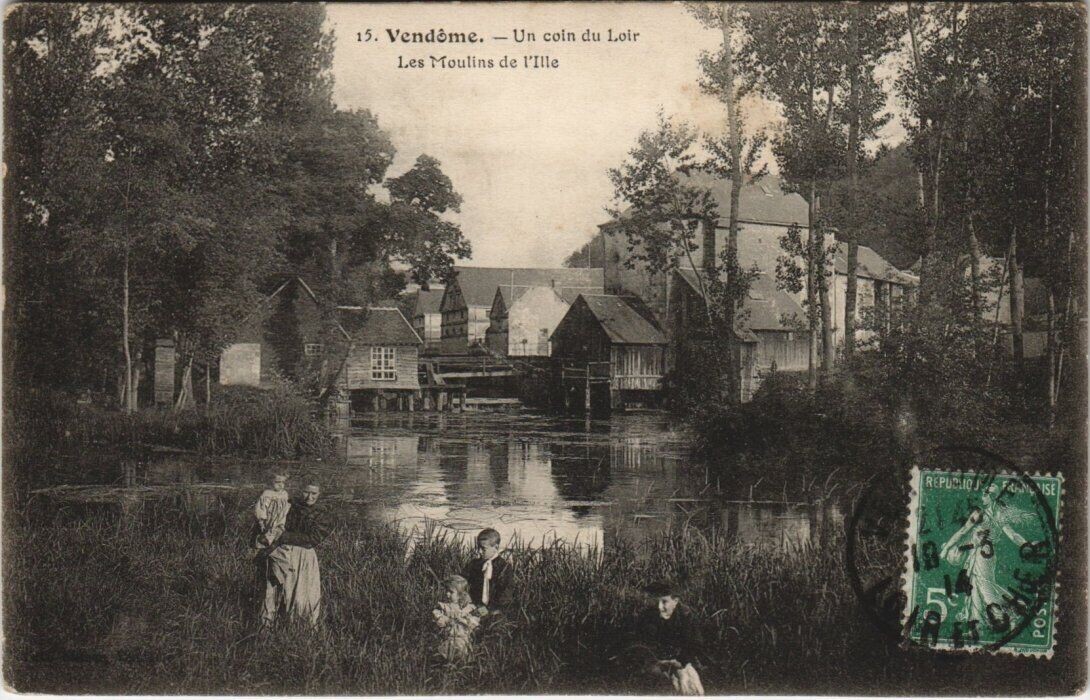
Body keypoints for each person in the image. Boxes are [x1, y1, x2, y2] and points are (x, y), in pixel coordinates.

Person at [261, 480, 329, 629]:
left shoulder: (321, 513)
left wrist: (285, 536)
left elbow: (314, 538)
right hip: (283, 553)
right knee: (274, 590)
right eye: (306, 492)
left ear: (319, 494)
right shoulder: (289, 506)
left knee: (302, 596)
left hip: (304, 557)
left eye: (314, 493)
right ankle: (270, 627)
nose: (309, 497)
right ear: (300, 491)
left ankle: (299, 629)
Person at [626, 580, 707, 696]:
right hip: (657, 661)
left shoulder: (686, 616)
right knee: (654, 676)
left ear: (675, 601)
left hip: (681, 661)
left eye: (664, 602)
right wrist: (657, 661)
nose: (660, 607)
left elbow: (695, 644)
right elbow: (642, 643)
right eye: (657, 602)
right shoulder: (648, 616)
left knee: (689, 683)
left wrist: (680, 662)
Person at [463, 528, 513, 617]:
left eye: (483, 548)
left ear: (496, 548)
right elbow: (463, 582)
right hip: (474, 607)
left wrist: (487, 610)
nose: (479, 551)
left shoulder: (504, 567)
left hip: (495, 610)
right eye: (478, 548)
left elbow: (505, 595)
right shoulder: (474, 564)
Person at [432, 574, 481, 663]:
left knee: (462, 658)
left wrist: (465, 620)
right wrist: (447, 620)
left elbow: (476, 618)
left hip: (463, 640)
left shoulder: (468, 608)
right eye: (446, 591)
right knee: (444, 657)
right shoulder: (444, 606)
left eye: (451, 592)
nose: (447, 594)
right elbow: (437, 616)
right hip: (448, 639)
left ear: (460, 594)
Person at [252, 471, 290, 550]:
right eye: (277, 482)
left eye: (283, 482)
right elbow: (261, 507)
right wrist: (261, 520)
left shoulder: (284, 494)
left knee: (279, 530)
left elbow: (285, 507)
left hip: (280, 517)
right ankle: (263, 545)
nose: (280, 485)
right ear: (271, 482)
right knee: (267, 531)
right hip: (269, 517)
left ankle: (278, 545)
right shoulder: (267, 493)